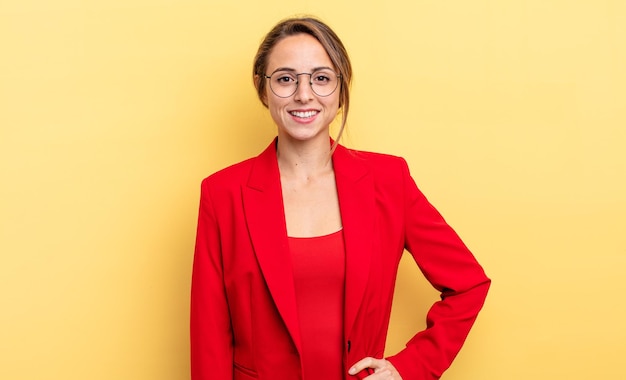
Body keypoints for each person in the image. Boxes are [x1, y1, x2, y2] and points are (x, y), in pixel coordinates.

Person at [190, 16, 490, 380]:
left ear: (340, 89)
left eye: (321, 78)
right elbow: (209, 336)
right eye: (286, 79)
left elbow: (468, 285)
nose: (304, 94)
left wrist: (408, 368)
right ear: (263, 89)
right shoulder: (222, 194)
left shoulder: (388, 182)